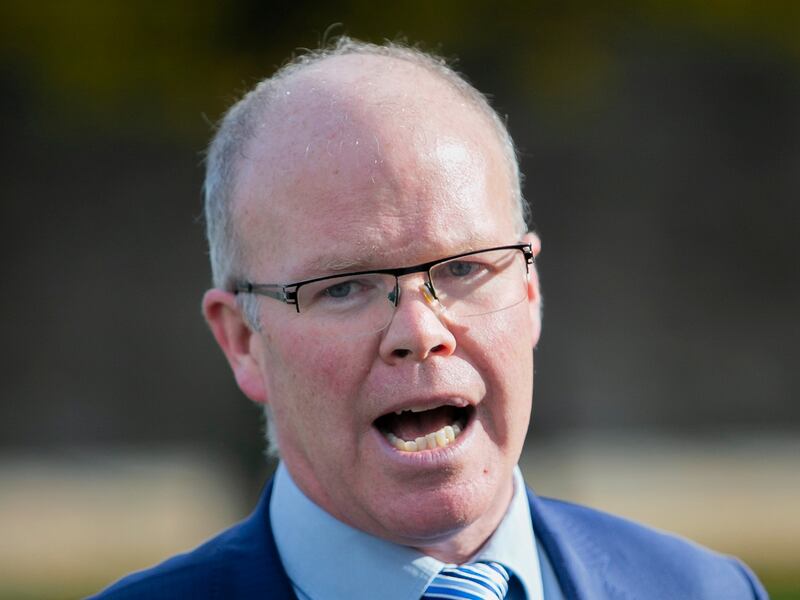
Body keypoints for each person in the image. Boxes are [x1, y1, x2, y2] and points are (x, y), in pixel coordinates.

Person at [92, 37, 766, 599]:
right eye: (344, 287)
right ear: (243, 341)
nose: (420, 332)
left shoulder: (710, 591)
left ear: (530, 290)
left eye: (463, 269)